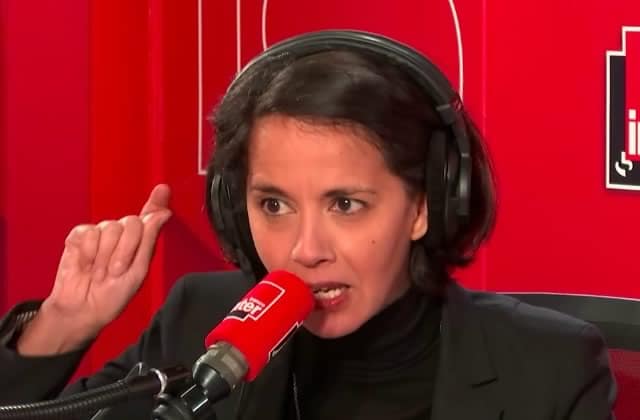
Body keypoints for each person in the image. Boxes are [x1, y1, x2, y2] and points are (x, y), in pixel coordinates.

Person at [0, 30, 615, 419]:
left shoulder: (549, 367)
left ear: (425, 206)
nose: (304, 249)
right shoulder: (200, 323)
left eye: (345, 204)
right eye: (274, 205)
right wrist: (60, 328)